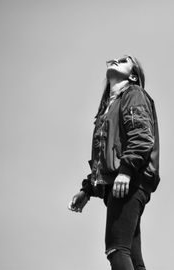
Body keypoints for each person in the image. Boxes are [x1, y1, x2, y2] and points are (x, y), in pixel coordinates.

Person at [68, 55, 160, 270]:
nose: (116, 60)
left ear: (134, 76)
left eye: (124, 60)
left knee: (116, 249)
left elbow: (142, 137)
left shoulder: (133, 94)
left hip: (129, 181)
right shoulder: (108, 108)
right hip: (121, 182)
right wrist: (88, 189)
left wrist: (126, 171)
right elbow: (106, 155)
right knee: (132, 257)